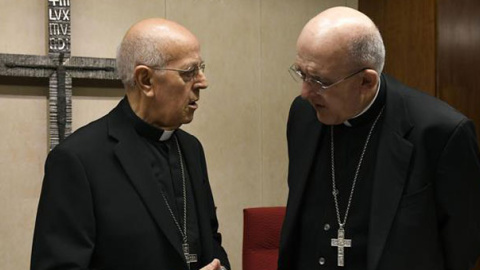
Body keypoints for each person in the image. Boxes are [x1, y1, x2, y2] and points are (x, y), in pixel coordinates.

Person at [278, 6, 480, 270]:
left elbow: (462, 246)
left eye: (319, 81)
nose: (305, 92)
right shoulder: (303, 115)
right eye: (302, 73)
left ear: (366, 82)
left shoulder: (441, 133)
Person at [31, 18, 230, 270]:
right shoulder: (77, 160)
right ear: (146, 80)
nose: (203, 82)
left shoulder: (191, 149)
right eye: (189, 72)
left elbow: (210, 240)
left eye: (201, 68)